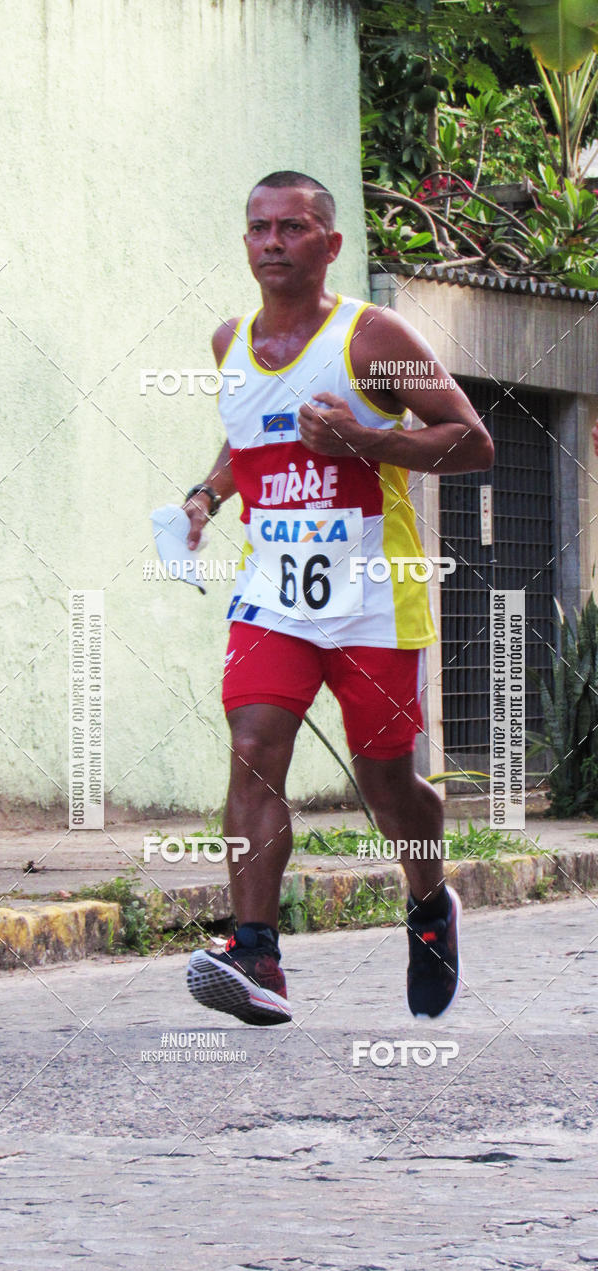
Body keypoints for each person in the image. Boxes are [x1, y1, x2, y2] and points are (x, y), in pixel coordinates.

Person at [184, 171, 494, 1027]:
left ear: (330, 242)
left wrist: (365, 437)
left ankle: (429, 904)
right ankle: (256, 955)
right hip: (273, 596)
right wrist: (208, 496)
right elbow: (248, 430)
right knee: (253, 745)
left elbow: (473, 442)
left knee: (389, 783)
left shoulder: (371, 337)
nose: (272, 241)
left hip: (374, 598)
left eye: (292, 226)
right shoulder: (229, 342)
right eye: (257, 228)